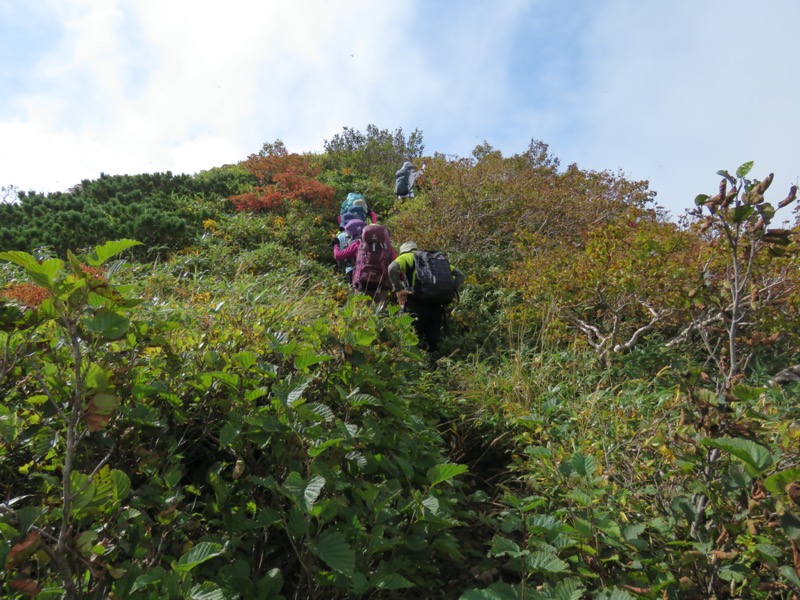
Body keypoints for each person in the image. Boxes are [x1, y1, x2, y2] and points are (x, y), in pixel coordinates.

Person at [387, 241, 465, 353]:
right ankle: (436, 365)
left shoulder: (407, 257)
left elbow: (392, 268)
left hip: (415, 303)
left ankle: (416, 367)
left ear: (403, 251)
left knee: (411, 339)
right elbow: (460, 275)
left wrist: (399, 290)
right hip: (436, 305)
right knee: (434, 342)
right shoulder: (433, 260)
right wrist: (450, 290)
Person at [332, 221, 396, 305]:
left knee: (361, 313)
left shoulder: (359, 244)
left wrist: (336, 245)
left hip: (362, 283)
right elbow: (396, 264)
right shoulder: (388, 247)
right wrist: (399, 281)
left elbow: (338, 256)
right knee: (381, 314)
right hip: (381, 285)